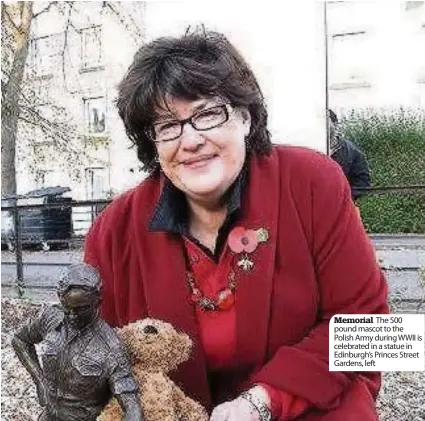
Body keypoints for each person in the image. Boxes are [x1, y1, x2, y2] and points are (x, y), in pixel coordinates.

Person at [84, 29, 389, 421]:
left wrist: (263, 402)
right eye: (167, 125)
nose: (190, 140)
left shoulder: (315, 183)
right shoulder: (113, 230)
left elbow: (371, 333)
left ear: (245, 117)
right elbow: (93, 355)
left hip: (308, 407)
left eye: (208, 113)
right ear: (153, 143)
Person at [12, 263, 144, 421]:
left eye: (81, 309)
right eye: (67, 308)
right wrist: (40, 380)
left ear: (97, 302)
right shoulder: (51, 317)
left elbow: (132, 407)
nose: (72, 316)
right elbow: (19, 339)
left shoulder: (112, 347)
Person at [328, 109, 371, 201]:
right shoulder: (308, 149)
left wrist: (346, 198)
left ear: (335, 124)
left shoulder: (353, 152)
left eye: (325, 121)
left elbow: (363, 182)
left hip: (343, 205)